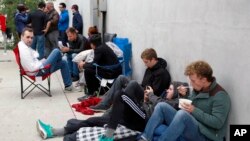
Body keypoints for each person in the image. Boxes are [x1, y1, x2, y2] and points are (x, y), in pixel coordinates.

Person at [36, 81, 188, 140]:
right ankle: (55, 131)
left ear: (178, 93)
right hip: (139, 112)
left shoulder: (177, 103)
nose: (168, 90)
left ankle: (108, 135)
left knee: (121, 95)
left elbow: (161, 107)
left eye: (171, 89)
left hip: (143, 120)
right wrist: (147, 98)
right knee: (94, 120)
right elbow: (154, 102)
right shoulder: (163, 98)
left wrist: (152, 97)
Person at [138, 60, 231, 141]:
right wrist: (184, 95)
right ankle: (145, 138)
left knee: (182, 115)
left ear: (204, 79)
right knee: (161, 106)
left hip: (206, 136)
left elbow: (217, 123)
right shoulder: (198, 89)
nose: (191, 83)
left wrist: (194, 110)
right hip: (192, 125)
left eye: (193, 81)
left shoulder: (220, 96)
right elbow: (190, 105)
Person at [89, 48, 171, 111]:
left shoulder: (162, 73)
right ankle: (105, 104)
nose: (145, 65)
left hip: (148, 97)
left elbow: (155, 93)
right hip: (143, 90)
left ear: (153, 59)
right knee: (121, 78)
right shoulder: (149, 68)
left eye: (146, 62)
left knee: (133, 83)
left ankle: (115, 107)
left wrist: (138, 88)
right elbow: (143, 84)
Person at [18, 27, 73, 92]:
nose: (30, 40)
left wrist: (41, 61)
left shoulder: (22, 45)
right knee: (56, 51)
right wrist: (41, 63)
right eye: (28, 37)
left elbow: (36, 54)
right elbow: (32, 68)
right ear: (22, 36)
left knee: (63, 62)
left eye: (31, 37)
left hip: (38, 68)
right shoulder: (25, 50)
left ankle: (68, 86)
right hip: (39, 72)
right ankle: (61, 56)